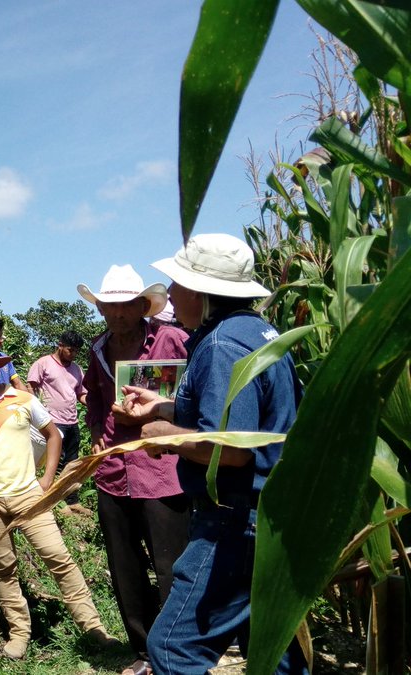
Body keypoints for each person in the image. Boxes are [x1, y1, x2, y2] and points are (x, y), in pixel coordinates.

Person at [115, 234, 305, 675]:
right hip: (267, 516)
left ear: (199, 291)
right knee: (269, 644)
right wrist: (163, 406)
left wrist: (161, 433)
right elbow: (251, 415)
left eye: (175, 285)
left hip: (233, 521)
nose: (170, 296)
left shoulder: (220, 345)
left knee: (172, 648)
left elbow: (231, 450)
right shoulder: (258, 331)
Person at [0, 342, 116, 660]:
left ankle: (94, 629)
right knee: (4, 567)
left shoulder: (23, 400)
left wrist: (47, 480)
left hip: (28, 496)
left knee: (58, 558)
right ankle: (19, 634)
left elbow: (54, 435)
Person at [77, 264, 190, 672]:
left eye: (126, 306)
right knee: (125, 565)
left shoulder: (173, 340)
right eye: (110, 307)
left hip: (162, 469)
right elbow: (92, 397)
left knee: (171, 565)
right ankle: (144, 652)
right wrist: (95, 429)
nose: (118, 314)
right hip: (112, 472)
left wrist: (154, 419)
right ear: (101, 309)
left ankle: (178, 653)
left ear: (143, 306)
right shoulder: (98, 348)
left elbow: (197, 393)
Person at [27, 330, 89, 515]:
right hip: (52, 422)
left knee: (72, 463)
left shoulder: (77, 369)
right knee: (54, 462)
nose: (73, 354)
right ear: (60, 345)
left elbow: (81, 394)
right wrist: (37, 414)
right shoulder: (43, 363)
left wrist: (94, 404)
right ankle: (52, 502)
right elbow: (30, 387)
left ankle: (72, 501)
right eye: (71, 349)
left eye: (77, 351)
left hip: (72, 421)